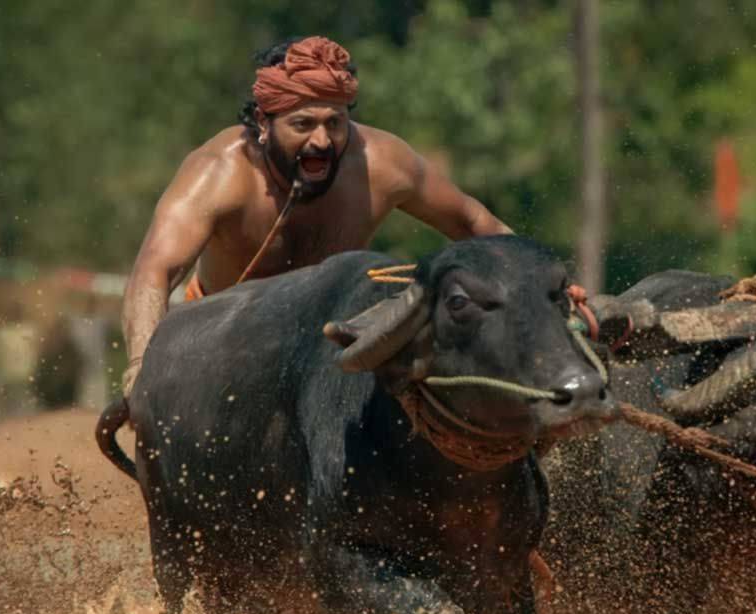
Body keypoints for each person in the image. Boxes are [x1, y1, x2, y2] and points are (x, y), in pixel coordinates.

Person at [120, 36, 511, 399]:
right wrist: (141, 366)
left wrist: (548, 295)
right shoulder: (217, 173)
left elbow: (476, 225)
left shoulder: (383, 164)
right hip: (221, 342)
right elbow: (154, 272)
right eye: (303, 124)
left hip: (334, 346)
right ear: (262, 122)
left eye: (335, 123)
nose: (322, 141)